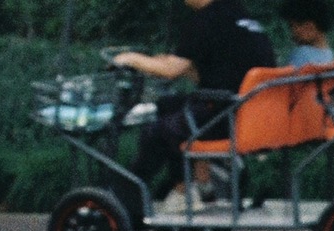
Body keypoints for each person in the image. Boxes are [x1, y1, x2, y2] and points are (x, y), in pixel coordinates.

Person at [114, 0, 274, 209]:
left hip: (224, 119)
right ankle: (196, 186)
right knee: (168, 106)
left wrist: (130, 58)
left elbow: (170, 71)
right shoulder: (241, 17)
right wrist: (173, 64)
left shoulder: (205, 20)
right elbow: (222, 74)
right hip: (250, 116)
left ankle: (127, 201)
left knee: (158, 132)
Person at [282, 0, 334, 67]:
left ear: (310, 26)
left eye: (293, 26)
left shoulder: (301, 54)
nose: (293, 32)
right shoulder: (330, 56)